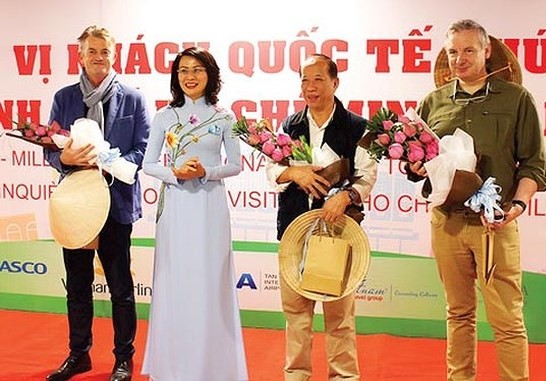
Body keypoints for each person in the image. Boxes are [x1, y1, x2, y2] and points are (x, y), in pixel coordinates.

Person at [408, 19, 546, 381]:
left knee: (507, 319)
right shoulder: (432, 102)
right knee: (458, 314)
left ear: (487, 52)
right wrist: (416, 166)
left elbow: (534, 165)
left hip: (495, 225)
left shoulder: (517, 99)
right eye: (453, 51)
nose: (460, 58)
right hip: (447, 223)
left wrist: (515, 207)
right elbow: (418, 165)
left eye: (469, 50)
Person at [44, 26, 151, 381]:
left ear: (114, 54)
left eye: (104, 51)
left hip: (116, 204)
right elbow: (51, 149)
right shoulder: (63, 97)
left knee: (121, 286)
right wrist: (68, 159)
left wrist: (112, 161)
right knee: (77, 284)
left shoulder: (133, 99)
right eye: (92, 51)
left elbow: (143, 150)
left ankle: (124, 359)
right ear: (81, 56)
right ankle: (79, 354)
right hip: (76, 204)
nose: (98, 57)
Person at [266, 54, 377, 381]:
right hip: (294, 231)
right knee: (296, 315)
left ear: (335, 83)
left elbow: (367, 176)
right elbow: (270, 169)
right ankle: (297, 375)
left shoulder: (357, 127)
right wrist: (293, 173)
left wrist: (346, 195)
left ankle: (343, 377)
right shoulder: (289, 125)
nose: (310, 87)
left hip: (338, 234)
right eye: (304, 80)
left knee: (339, 318)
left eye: (317, 79)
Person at [141, 47, 248, 381]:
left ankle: (213, 367)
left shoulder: (224, 117)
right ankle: (173, 366)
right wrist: (175, 174)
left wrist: (205, 172)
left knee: (209, 282)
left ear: (210, 75)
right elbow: (148, 164)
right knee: (176, 282)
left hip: (209, 206)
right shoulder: (164, 116)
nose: (190, 76)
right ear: (176, 76)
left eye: (198, 70)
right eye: (183, 70)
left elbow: (235, 164)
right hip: (175, 206)